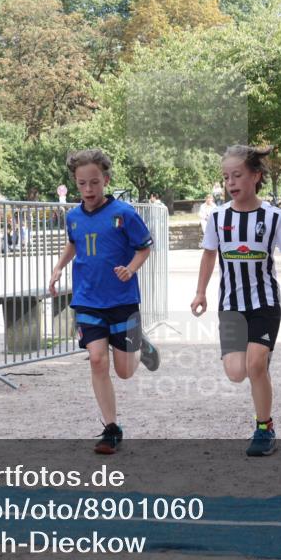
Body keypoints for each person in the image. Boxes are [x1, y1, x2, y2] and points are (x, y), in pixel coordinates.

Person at [47, 149, 160, 455]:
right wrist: (58, 268)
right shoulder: (73, 217)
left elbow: (144, 248)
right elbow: (73, 243)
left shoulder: (124, 214)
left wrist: (131, 269)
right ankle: (111, 428)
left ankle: (139, 345)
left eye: (94, 183)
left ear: (106, 180)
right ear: (75, 182)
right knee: (97, 359)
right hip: (87, 299)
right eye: (82, 183)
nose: (88, 189)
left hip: (122, 299)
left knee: (125, 372)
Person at [190, 144, 281, 457]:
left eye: (237, 175)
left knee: (254, 366)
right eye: (226, 177)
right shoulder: (217, 217)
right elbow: (208, 256)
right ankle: (258, 361)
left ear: (256, 176)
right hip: (231, 306)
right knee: (236, 373)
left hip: (265, 304)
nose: (231, 182)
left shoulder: (274, 217)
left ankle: (264, 428)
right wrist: (200, 292)